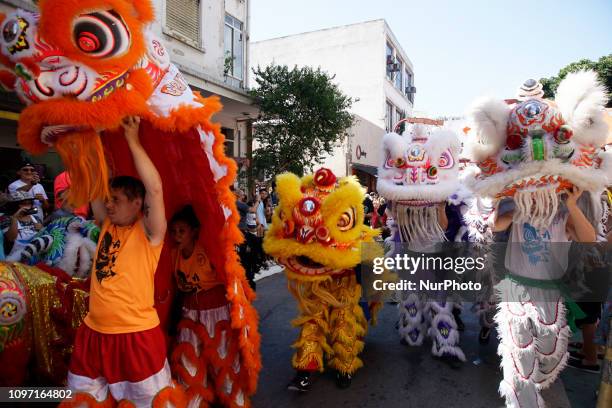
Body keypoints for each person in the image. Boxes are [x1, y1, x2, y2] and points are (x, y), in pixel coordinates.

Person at [66, 116, 172, 407]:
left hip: (136, 336)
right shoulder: (106, 224)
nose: (108, 204)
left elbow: (155, 190)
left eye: (116, 200)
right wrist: (94, 140)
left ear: (136, 203)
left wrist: (132, 140)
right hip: (93, 333)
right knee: (81, 401)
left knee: (149, 403)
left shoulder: (150, 232)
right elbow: (97, 185)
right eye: (108, 200)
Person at [168, 205, 249, 407]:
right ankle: (194, 402)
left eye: (182, 231)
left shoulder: (208, 252)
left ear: (194, 231)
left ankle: (233, 401)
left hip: (216, 312)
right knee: (189, 360)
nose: (177, 236)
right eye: (174, 231)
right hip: (189, 313)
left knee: (223, 358)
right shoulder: (172, 254)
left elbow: (229, 276)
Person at [3, 190, 42, 261]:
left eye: (29, 203)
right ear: (14, 205)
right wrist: (14, 219)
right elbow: (11, 238)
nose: (27, 206)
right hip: (13, 259)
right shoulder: (6, 219)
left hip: (33, 257)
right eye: (23, 203)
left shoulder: (36, 218)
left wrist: (41, 229)